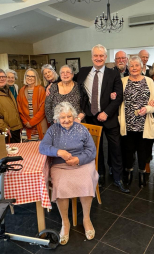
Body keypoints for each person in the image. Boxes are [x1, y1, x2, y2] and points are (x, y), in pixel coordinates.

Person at [39, 102, 97, 245]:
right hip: (60, 165)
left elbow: (92, 151)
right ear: (57, 118)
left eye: (69, 116)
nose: (66, 120)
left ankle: (86, 219)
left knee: (86, 181)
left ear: (74, 116)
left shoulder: (82, 129)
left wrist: (78, 159)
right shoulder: (52, 130)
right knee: (60, 185)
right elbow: (43, 147)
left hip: (82, 163)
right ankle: (65, 223)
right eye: (63, 117)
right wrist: (58, 152)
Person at [77, 44, 129, 193]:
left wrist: (106, 112)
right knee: (95, 150)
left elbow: (119, 96)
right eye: (96, 55)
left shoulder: (113, 74)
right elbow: (69, 82)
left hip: (109, 118)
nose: (98, 58)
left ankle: (118, 178)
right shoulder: (83, 72)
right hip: (91, 117)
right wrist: (51, 86)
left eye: (101, 56)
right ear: (92, 57)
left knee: (116, 149)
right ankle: (99, 176)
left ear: (105, 57)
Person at [119, 56, 154, 187]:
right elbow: (117, 100)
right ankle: (129, 172)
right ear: (128, 67)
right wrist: (113, 95)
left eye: (137, 65)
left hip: (144, 123)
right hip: (128, 123)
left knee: (143, 151)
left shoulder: (149, 81)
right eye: (132, 66)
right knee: (128, 150)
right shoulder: (122, 81)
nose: (134, 68)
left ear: (141, 67)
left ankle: (142, 173)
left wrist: (148, 108)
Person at [17, 68, 47, 141]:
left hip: (39, 125)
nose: (30, 78)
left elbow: (43, 109)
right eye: (28, 76)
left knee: (39, 148)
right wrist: (25, 122)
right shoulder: (21, 90)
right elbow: (19, 108)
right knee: (27, 148)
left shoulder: (41, 89)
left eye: (32, 76)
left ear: (36, 78)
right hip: (26, 126)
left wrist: (32, 122)